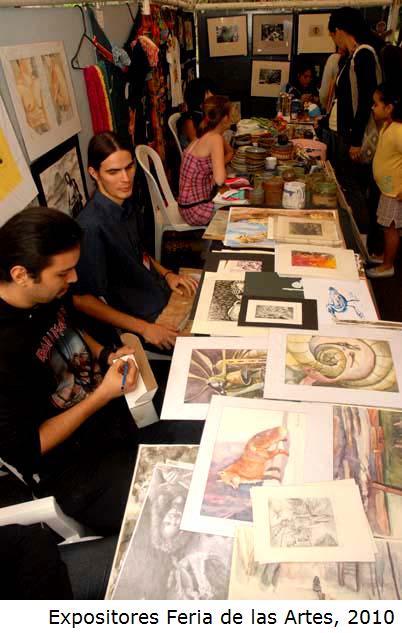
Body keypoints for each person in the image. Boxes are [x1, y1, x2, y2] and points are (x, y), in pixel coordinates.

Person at [0, 207, 139, 535]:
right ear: (21, 275)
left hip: (109, 424)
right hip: (73, 473)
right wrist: (102, 396)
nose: (74, 279)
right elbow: (28, 450)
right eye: (63, 273)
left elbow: (68, 327)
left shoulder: (45, 293)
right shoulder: (5, 349)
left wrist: (105, 355)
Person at [73, 132, 198, 351]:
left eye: (129, 167)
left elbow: (139, 251)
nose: (125, 178)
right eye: (113, 172)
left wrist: (167, 275)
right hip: (142, 320)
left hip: (159, 291)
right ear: (94, 173)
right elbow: (82, 300)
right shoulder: (90, 227)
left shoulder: (125, 201)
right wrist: (145, 329)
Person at [326, 8, 383, 249]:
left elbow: (364, 105)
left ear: (339, 30)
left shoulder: (363, 56)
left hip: (353, 137)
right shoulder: (352, 56)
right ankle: (358, 241)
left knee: (356, 190)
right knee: (348, 188)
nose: (333, 40)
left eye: (333, 34)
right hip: (345, 134)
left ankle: (363, 245)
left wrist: (355, 140)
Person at [178, 95, 232, 226]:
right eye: (230, 115)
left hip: (186, 206)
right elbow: (220, 180)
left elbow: (229, 153)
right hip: (196, 210)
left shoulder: (204, 133)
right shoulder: (215, 138)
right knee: (241, 208)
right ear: (225, 118)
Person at [367, 84, 402, 278]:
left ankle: (388, 265)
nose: (372, 107)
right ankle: (385, 256)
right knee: (386, 225)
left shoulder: (398, 131)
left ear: (389, 108)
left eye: (376, 104)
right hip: (386, 188)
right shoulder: (386, 127)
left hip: (394, 192)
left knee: (391, 229)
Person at [177, 78, 234, 163]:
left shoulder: (204, 116)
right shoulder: (189, 121)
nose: (212, 96)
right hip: (200, 165)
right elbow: (201, 149)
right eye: (209, 94)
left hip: (209, 161)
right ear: (198, 97)